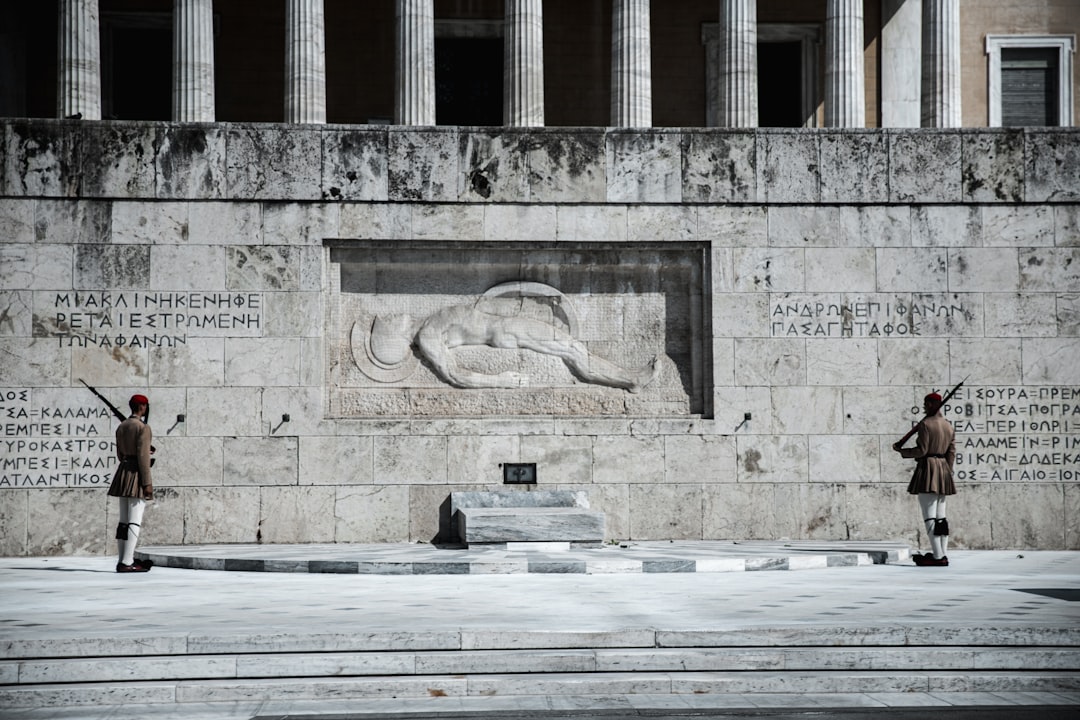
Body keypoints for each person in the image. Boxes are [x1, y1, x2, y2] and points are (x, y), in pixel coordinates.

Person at [370, 300, 659, 392]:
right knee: (572, 351)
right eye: (390, 322)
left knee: (572, 350)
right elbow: (454, 374)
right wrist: (500, 381)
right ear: (398, 335)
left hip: (507, 325)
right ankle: (632, 380)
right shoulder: (428, 335)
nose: (394, 316)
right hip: (506, 332)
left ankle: (629, 379)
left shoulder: (429, 322)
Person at [893, 392, 956, 567]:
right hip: (943, 469)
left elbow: (922, 450)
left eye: (925, 404)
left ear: (930, 404)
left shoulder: (926, 424)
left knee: (929, 516)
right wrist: (946, 471)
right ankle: (942, 553)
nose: (923, 407)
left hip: (929, 468)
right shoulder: (948, 426)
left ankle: (937, 556)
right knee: (941, 517)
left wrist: (902, 451)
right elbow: (951, 452)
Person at [108, 394, 154, 573]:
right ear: (142, 407)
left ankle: (122, 559)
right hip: (136, 475)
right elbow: (143, 457)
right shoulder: (143, 427)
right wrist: (147, 482)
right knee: (134, 520)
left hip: (123, 472)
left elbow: (120, 453)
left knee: (123, 521)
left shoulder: (122, 426)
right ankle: (128, 562)